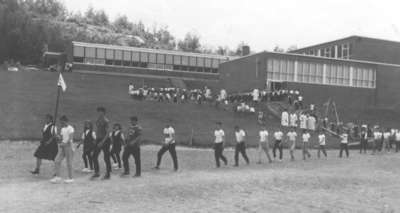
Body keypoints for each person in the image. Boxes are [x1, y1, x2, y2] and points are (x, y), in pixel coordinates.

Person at [50, 115, 75, 184]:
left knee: (69, 162)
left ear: (66, 121)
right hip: (63, 146)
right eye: (61, 122)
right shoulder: (62, 129)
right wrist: (56, 136)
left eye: (62, 122)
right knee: (57, 160)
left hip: (69, 147)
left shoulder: (71, 128)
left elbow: (70, 139)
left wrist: (64, 144)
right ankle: (58, 177)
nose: (61, 124)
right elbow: (61, 138)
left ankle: (71, 178)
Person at [92, 107, 112, 180]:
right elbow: (97, 130)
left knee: (106, 157)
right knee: (94, 155)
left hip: (105, 140)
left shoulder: (106, 121)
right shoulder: (97, 120)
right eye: (98, 112)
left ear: (104, 112)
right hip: (99, 139)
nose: (99, 113)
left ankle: (108, 173)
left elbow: (107, 133)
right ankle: (97, 172)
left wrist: (102, 142)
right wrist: (96, 139)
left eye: (101, 112)